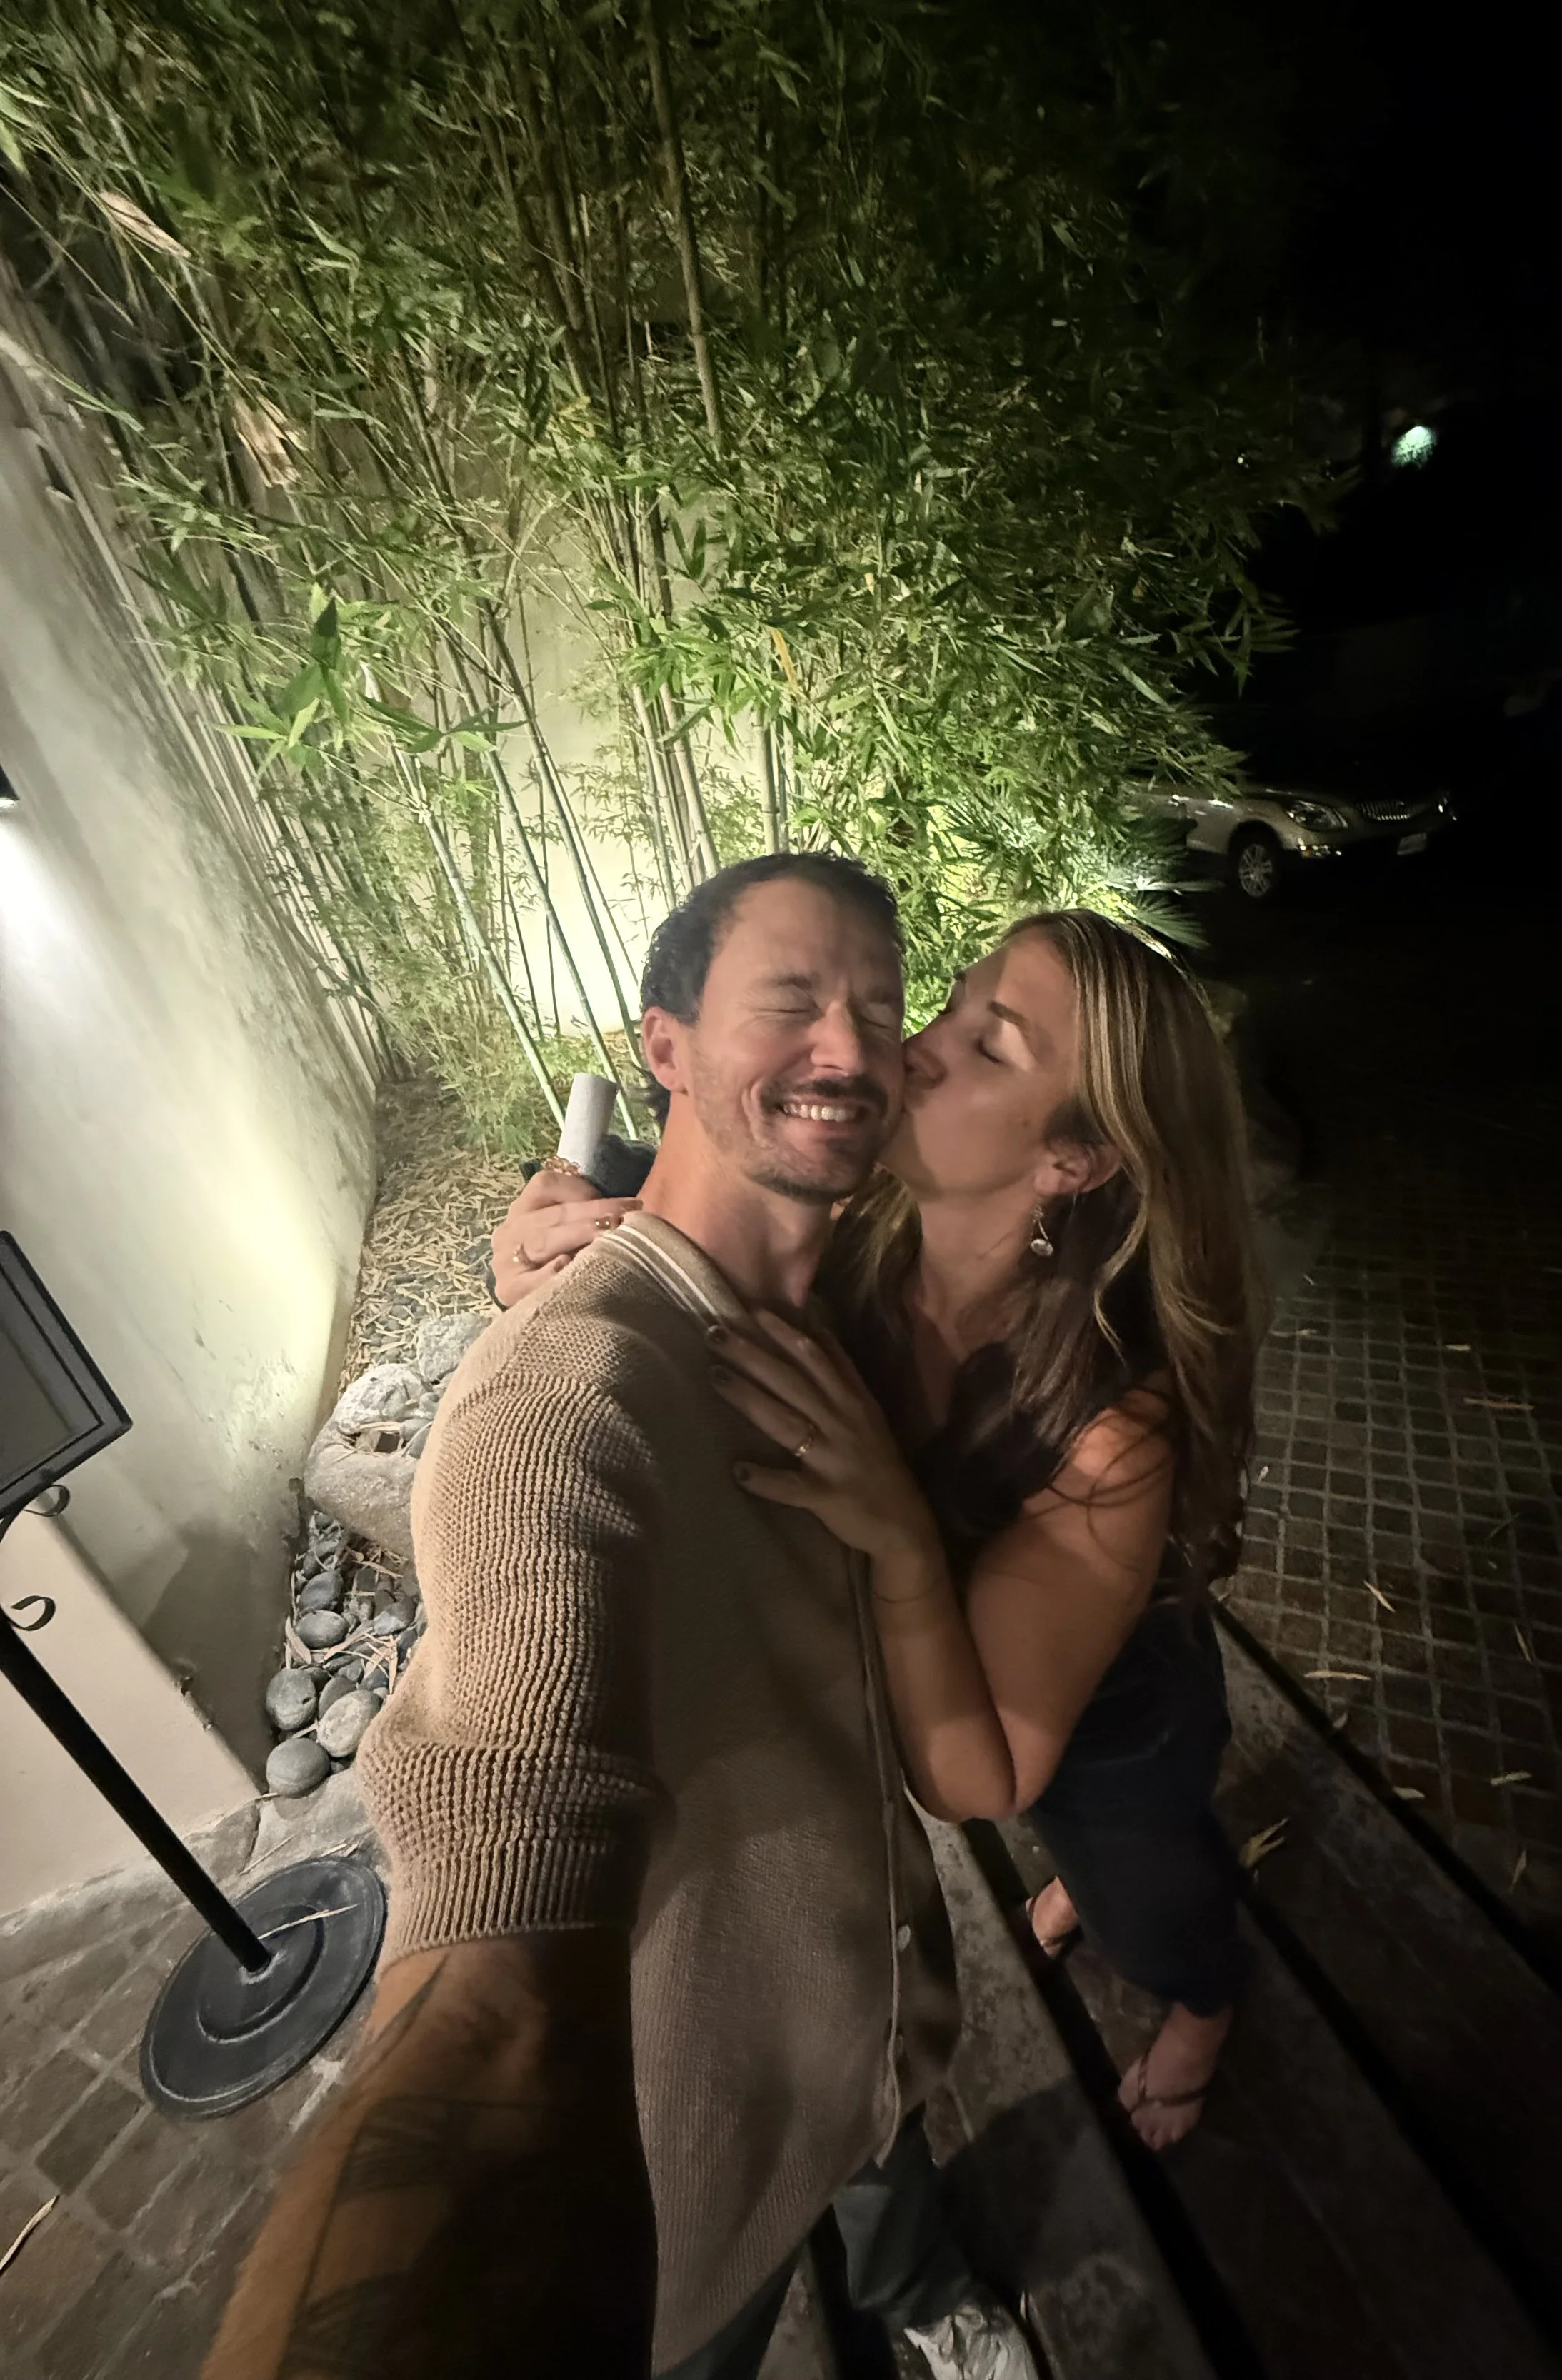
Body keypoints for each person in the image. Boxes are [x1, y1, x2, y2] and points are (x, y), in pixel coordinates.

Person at [204, 853, 1039, 2380]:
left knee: (881, 2179)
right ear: (664, 1049)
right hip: (680, 2153)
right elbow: (498, 1923)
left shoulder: (823, 1287)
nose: (849, 1047)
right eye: (788, 1000)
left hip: (852, 2009)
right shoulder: (564, 1401)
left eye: (876, 1004)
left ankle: (927, 2299)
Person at [496, 905, 1260, 2151]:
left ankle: (1205, 2005)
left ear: (1074, 1162)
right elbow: (668, 1198)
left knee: (1149, 1880)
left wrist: (901, 1540)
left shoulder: (1112, 1434)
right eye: (951, 1004)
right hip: (967, 1663)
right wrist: (541, 1244)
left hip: (1105, 1725)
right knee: (1093, 1872)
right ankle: (1095, 1896)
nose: (915, 1050)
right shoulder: (860, 1236)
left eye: (990, 1047)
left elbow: (979, 1779)